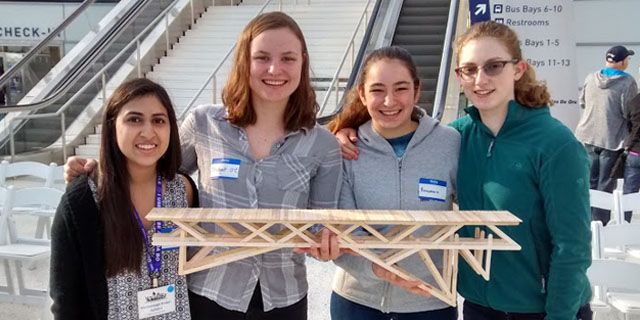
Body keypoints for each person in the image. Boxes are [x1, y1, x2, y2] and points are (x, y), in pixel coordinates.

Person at [64, 12, 342, 320]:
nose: (274, 69)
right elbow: (152, 167)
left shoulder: (323, 146)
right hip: (209, 294)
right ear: (244, 62)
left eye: (287, 58)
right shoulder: (204, 124)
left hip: (284, 299)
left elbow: (321, 224)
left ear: (302, 62)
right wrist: (100, 167)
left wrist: (325, 243)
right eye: (262, 57)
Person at [336, 21, 592, 320]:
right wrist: (346, 131)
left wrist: (560, 315)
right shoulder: (457, 137)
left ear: (518, 69)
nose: (480, 79)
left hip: (539, 309)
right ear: (459, 77)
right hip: (478, 307)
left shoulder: (554, 143)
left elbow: (573, 244)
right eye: (469, 69)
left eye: (493, 66)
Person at [326, 46, 460, 320]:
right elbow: (341, 230)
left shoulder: (449, 143)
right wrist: (377, 269)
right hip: (357, 302)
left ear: (416, 90)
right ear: (362, 94)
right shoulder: (345, 151)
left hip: (429, 303)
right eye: (377, 90)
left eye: (400, 88)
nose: (389, 101)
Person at [50, 78, 197, 319]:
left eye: (159, 120)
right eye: (134, 119)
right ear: (112, 126)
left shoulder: (184, 191)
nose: (148, 132)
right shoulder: (84, 200)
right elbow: (64, 299)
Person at [575, 45, 638, 225]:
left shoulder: (590, 78)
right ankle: (600, 226)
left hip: (587, 136)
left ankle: (586, 222)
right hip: (612, 139)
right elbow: (630, 112)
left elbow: (582, 102)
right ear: (623, 61)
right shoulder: (627, 82)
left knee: (589, 182)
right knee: (605, 185)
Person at [621, 92, 640, 222]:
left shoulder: (634, 100)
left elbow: (629, 125)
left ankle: (624, 224)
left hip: (635, 151)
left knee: (628, 194)